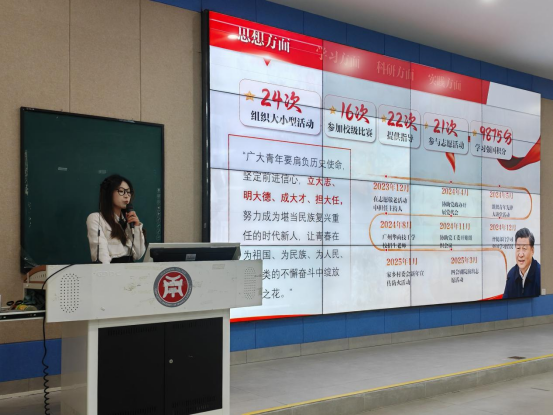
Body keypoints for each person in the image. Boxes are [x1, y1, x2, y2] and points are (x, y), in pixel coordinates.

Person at [86, 174, 146, 264]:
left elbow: (138, 255)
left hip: (131, 269)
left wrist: (136, 227)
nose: (126, 196)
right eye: (121, 191)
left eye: (128, 192)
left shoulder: (128, 220)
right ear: (109, 193)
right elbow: (102, 257)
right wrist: (109, 272)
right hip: (111, 270)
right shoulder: (96, 218)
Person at [503, 228, 540, 299]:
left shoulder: (541, 275)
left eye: (524, 249)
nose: (520, 254)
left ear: (532, 250)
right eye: (518, 248)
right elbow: (505, 303)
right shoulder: (511, 275)